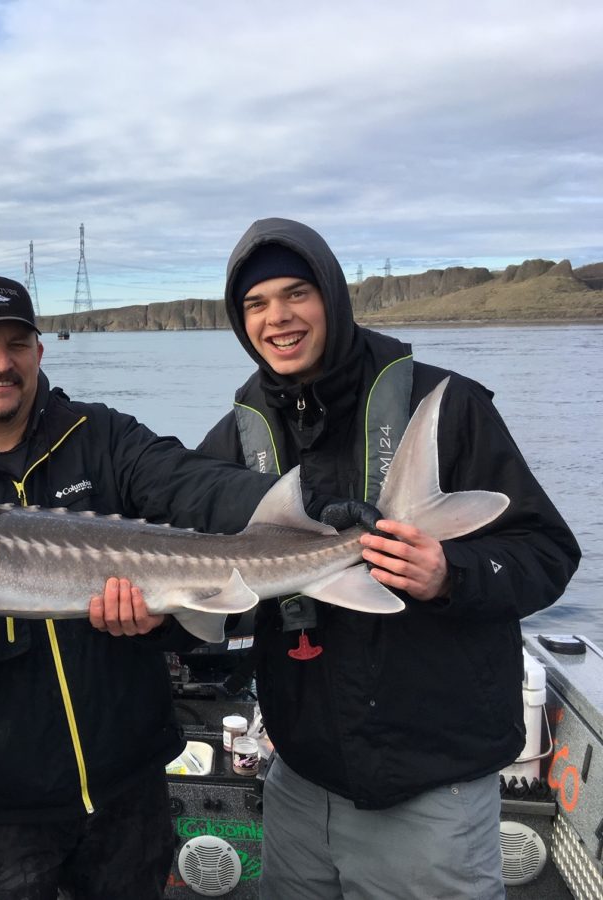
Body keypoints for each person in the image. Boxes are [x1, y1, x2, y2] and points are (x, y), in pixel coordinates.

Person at [0, 275, 296, 899]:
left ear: (39, 352)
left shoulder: (101, 437)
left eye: (17, 344)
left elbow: (193, 483)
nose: (0, 363)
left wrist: (301, 510)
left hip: (128, 788)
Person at [198, 217, 581, 898]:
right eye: (255, 304)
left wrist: (451, 575)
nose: (277, 318)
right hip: (298, 779)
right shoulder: (236, 435)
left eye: (296, 294)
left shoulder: (448, 406)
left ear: (332, 296)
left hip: (433, 787)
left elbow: (547, 553)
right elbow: (201, 574)